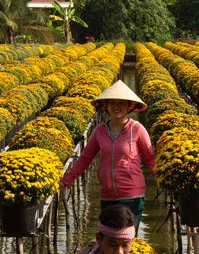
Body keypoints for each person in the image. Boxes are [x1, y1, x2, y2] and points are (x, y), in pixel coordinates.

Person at [60, 81, 154, 232]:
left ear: (129, 106)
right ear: (106, 106)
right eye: (113, 103)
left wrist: (166, 179)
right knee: (109, 237)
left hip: (132, 193)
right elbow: (85, 158)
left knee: (126, 238)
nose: (117, 107)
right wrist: (66, 180)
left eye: (121, 103)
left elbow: (150, 158)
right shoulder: (99, 131)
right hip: (107, 194)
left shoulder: (137, 129)